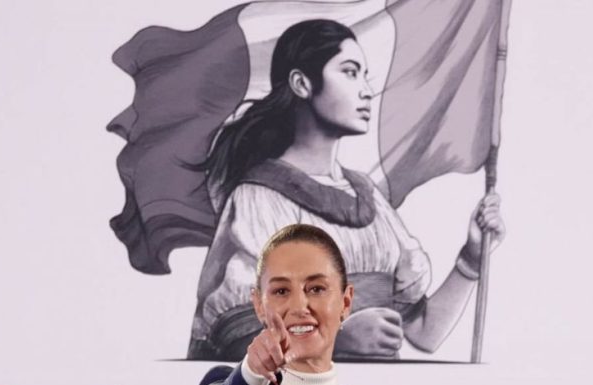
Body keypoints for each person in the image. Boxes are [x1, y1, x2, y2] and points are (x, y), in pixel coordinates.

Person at [188, 19, 505, 360]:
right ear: (301, 83)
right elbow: (236, 341)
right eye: (350, 72)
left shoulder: (368, 198)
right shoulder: (259, 199)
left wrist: (471, 258)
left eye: (364, 74)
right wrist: (333, 342)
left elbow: (423, 333)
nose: (367, 90)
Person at [202, 224, 353, 385]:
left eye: (316, 289)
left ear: (345, 303)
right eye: (281, 291)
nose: (299, 307)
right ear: (259, 304)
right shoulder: (228, 380)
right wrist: (250, 374)